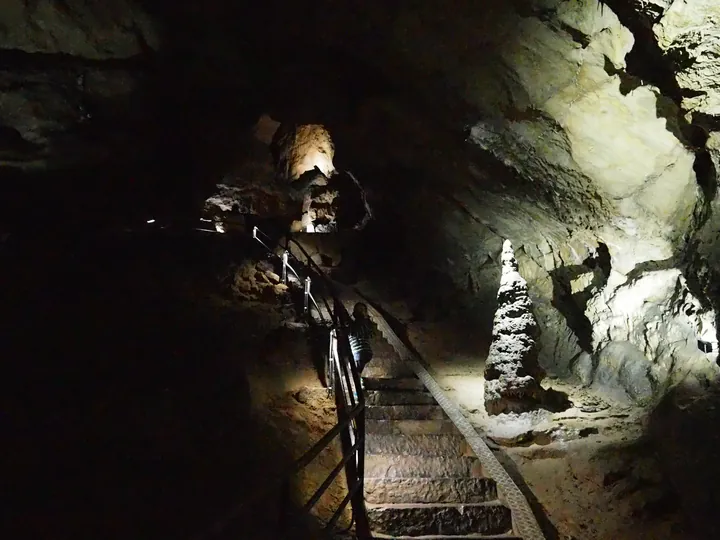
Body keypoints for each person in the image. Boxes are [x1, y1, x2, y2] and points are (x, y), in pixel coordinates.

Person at [348, 302, 374, 373]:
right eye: (359, 310)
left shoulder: (360, 323)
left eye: (362, 310)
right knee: (356, 372)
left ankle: (359, 381)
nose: (360, 311)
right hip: (362, 353)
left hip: (360, 353)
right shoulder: (363, 323)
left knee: (356, 373)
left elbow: (355, 334)